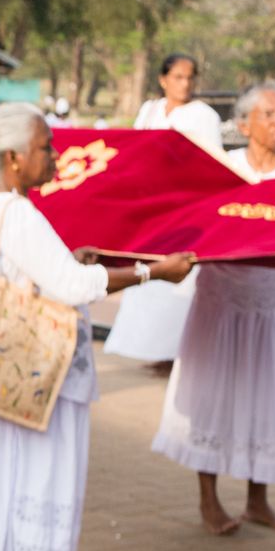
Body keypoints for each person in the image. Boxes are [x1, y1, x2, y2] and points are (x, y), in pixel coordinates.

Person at [0, 103, 195, 551]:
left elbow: (35, 274)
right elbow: (73, 289)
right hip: (12, 373)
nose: (55, 156)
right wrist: (154, 271)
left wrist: (71, 262)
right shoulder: (18, 213)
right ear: (13, 158)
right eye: (45, 147)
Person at [152, 81, 275, 536]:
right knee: (210, 397)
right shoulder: (221, 173)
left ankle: (258, 501)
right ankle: (209, 501)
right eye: (269, 114)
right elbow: (188, 227)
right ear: (244, 124)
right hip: (220, 303)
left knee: (267, 399)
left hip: (271, 303)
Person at [105, 53, 224, 365]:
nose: (184, 84)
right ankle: (150, 348)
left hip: (185, 208)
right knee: (148, 277)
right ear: (163, 80)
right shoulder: (150, 110)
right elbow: (134, 149)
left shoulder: (203, 115)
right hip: (149, 208)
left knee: (178, 277)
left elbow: (211, 165)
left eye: (189, 78)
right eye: (178, 78)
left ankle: (176, 352)